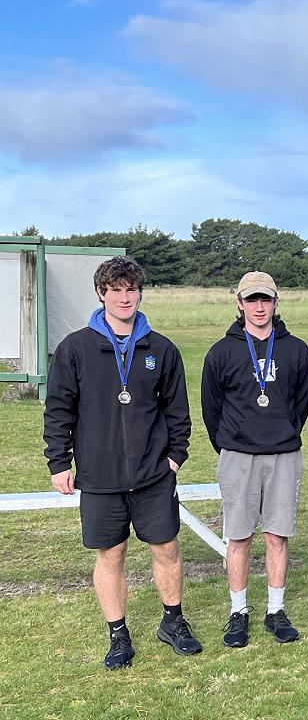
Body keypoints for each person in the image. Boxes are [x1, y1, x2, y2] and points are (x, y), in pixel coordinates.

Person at [43, 256, 200, 670]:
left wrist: (175, 458)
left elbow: (177, 412)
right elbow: (58, 410)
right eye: (116, 290)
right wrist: (59, 462)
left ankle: (173, 622)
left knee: (167, 548)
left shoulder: (161, 349)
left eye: (131, 289)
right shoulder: (75, 348)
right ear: (101, 293)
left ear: (140, 293)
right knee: (111, 555)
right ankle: (118, 635)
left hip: (153, 475)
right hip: (100, 476)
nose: (124, 297)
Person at [201, 271, 308, 648]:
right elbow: (211, 409)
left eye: (266, 299)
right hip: (238, 455)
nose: (259, 306)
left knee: (277, 535)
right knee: (238, 536)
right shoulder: (222, 352)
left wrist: (283, 432)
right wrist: (231, 444)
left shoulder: (297, 350)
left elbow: (301, 404)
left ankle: (275, 610)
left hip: (283, 454)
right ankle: (239, 612)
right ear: (239, 303)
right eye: (252, 300)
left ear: (276, 302)